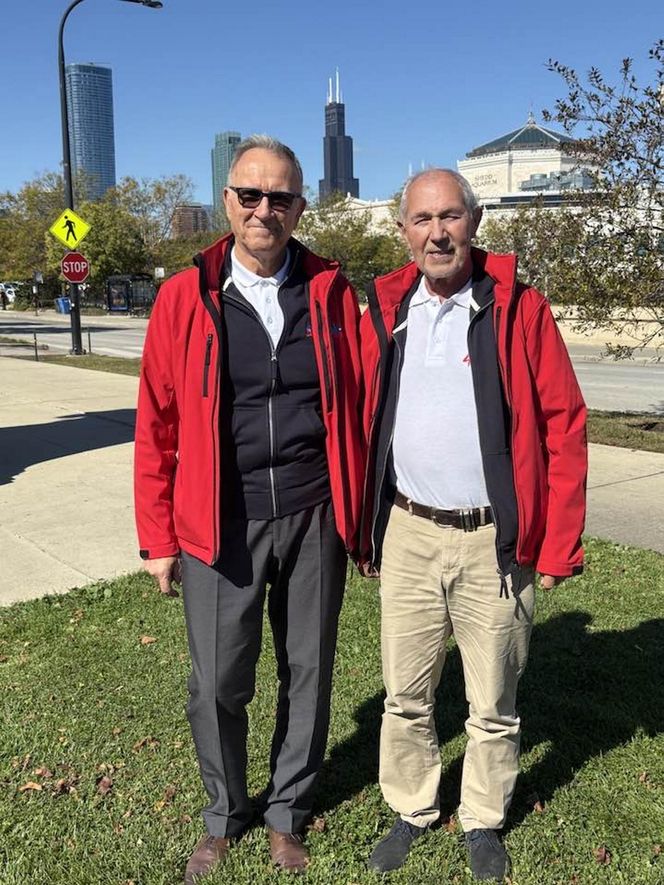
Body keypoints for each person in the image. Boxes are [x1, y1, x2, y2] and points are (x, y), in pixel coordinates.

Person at [134, 135, 364, 883]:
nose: (266, 209)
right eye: (251, 195)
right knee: (217, 683)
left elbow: (363, 401)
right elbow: (157, 421)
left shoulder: (331, 292)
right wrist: (157, 537)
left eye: (281, 197)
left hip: (312, 512)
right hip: (217, 520)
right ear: (228, 200)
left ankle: (287, 811)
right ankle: (226, 812)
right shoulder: (185, 295)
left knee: (309, 671)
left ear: (301, 206)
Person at [359, 169, 587, 881]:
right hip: (408, 530)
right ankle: (413, 805)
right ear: (404, 231)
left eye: (450, 216)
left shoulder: (519, 309)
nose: (437, 233)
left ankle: (482, 816)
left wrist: (558, 542)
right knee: (405, 693)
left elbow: (564, 424)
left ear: (475, 220)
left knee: (492, 701)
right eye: (422, 219)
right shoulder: (386, 310)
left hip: (494, 538)